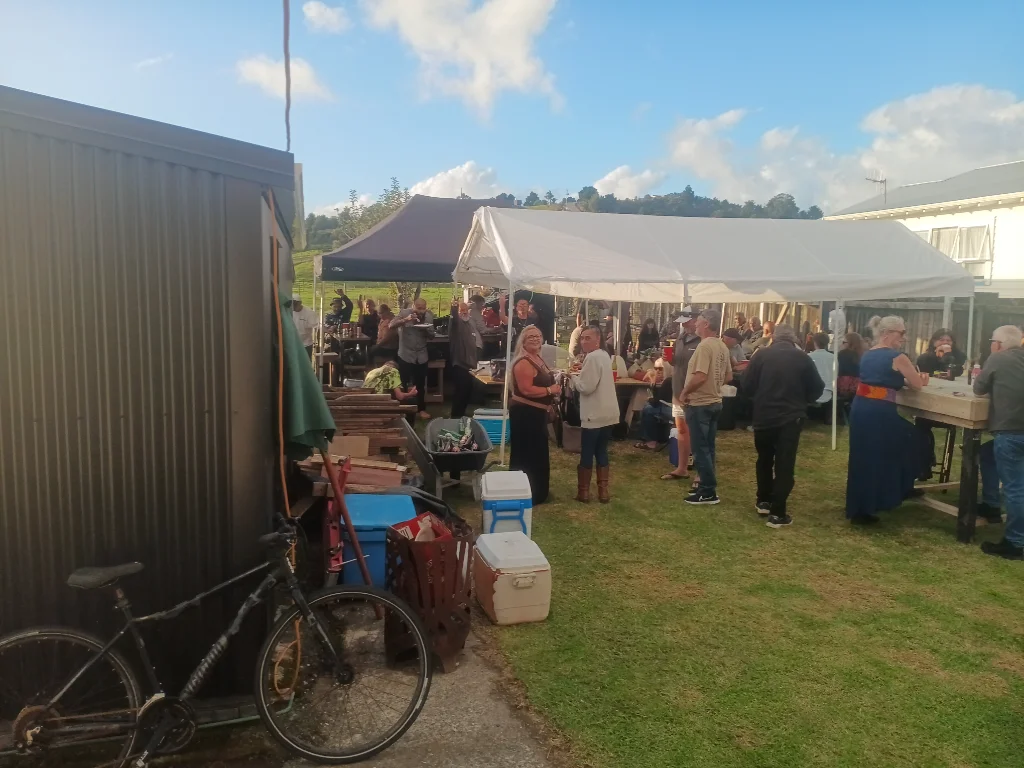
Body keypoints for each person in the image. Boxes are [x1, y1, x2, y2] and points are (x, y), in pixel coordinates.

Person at [845, 316, 928, 525]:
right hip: (879, 411)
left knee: (863, 456)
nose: (904, 338)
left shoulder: (868, 354)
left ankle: (862, 506)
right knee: (914, 440)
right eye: (901, 333)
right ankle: (900, 486)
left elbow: (879, 378)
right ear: (887, 333)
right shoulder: (898, 357)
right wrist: (919, 379)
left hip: (861, 407)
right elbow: (917, 384)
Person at [743, 325, 825, 528]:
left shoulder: (761, 355)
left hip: (763, 416)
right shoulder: (803, 358)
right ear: (793, 339)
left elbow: (746, 385)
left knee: (764, 459)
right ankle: (778, 513)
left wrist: (758, 399)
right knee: (784, 464)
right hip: (790, 417)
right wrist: (803, 401)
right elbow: (817, 388)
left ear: (774, 338)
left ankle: (763, 500)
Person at [975, 325, 1024, 558]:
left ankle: (1015, 543)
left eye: (992, 342)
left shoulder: (997, 359)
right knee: (987, 453)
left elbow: (978, 388)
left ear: (998, 344)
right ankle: (991, 504)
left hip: (1011, 431)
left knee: (1015, 489)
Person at [680, 309, 731, 505]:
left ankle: (708, 490)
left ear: (707, 324)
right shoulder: (722, 346)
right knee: (709, 447)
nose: (695, 324)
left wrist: (685, 392)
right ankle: (706, 485)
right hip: (715, 402)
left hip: (700, 403)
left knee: (700, 449)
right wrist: (714, 385)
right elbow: (728, 376)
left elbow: (700, 376)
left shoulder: (704, 346)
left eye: (699, 321)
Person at [509, 325, 559, 505]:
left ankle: (538, 491)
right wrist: (550, 390)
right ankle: (526, 492)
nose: (535, 339)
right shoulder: (523, 362)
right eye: (530, 336)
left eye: (538, 335)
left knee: (538, 453)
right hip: (525, 414)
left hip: (537, 414)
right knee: (526, 454)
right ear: (523, 341)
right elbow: (526, 390)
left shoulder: (537, 358)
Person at [571, 327, 620, 503]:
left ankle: (583, 492)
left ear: (598, 340)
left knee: (587, 452)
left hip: (594, 413)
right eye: (582, 338)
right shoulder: (604, 355)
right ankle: (603, 492)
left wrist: (572, 377)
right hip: (608, 412)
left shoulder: (592, 357)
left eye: (588, 338)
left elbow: (586, 387)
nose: (583, 341)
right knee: (601, 451)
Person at [914, 328, 968, 480]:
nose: (945, 342)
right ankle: (925, 465)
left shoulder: (959, 357)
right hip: (930, 402)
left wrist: (947, 356)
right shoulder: (925, 358)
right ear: (933, 342)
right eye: (941, 340)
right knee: (921, 425)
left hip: (952, 403)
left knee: (921, 425)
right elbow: (925, 372)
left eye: (948, 340)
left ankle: (926, 465)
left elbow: (954, 372)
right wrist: (938, 355)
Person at [666, 307, 701, 481]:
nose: (684, 326)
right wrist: (670, 359)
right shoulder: (681, 338)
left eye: (686, 322)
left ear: (696, 320)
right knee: (681, 429)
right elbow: (677, 362)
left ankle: (701, 472)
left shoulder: (703, 341)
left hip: (695, 393)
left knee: (698, 432)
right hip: (677, 391)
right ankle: (682, 467)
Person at [390, 298, 435, 419]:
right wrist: (406, 320)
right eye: (418, 308)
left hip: (421, 355)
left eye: (423, 308)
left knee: (420, 384)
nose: (421, 310)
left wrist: (425, 329)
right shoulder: (404, 313)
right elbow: (391, 325)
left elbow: (432, 336)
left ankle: (421, 409)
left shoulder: (429, 316)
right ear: (413, 306)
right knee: (403, 383)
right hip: (405, 354)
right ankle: (404, 409)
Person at [448, 300, 479, 419]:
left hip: (469, 363)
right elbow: (454, 319)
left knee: (467, 390)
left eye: (466, 310)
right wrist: (454, 308)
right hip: (459, 362)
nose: (464, 312)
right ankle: (455, 415)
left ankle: (461, 413)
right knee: (460, 390)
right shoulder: (455, 324)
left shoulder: (469, 323)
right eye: (462, 310)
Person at [635, 358, 673, 450]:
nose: (658, 371)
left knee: (648, 409)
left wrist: (653, 383)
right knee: (650, 407)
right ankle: (656, 438)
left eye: (661, 369)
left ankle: (650, 442)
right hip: (676, 408)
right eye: (656, 368)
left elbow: (656, 401)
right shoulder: (671, 378)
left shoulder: (669, 381)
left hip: (675, 410)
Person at [807, 332, 835, 419]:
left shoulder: (809, 356)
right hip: (829, 391)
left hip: (812, 392)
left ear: (815, 342)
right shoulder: (833, 357)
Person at [836, 332, 865, 399]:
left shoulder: (842, 354)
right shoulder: (862, 354)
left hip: (843, 385)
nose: (842, 344)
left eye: (844, 342)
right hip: (859, 385)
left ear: (850, 343)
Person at [291, 294, 319, 359]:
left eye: (295, 304)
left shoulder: (309, 313)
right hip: (292, 344)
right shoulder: (288, 311)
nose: (293, 306)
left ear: (300, 303)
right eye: (292, 304)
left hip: (306, 344)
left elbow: (317, 325)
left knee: (306, 362)